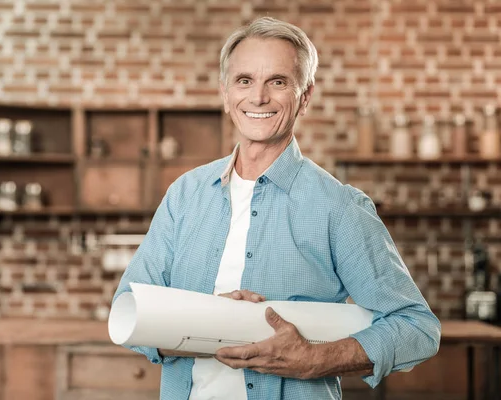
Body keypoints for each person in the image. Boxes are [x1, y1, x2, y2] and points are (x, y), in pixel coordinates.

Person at [113, 16, 441, 400]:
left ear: (305, 96)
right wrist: (200, 322)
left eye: (278, 82)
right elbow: (127, 307)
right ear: (225, 94)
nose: (258, 98)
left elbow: (417, 328)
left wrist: (316, 358)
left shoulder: (339, 207)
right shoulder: (185, 195)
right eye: (244, 80)